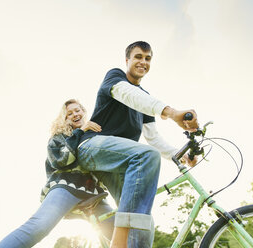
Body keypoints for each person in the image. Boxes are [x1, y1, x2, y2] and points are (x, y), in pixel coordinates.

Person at [76, 41, 199, 248]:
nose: (143, 61)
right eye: (138, 57)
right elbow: (128, 94)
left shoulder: (145, 99)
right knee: (147, 156)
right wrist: (171, 112)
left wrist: (180, 155)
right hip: (92, 148)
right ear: (127, 60)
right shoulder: (115, 78)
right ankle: (118, 243)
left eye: (148, 58)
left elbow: (154, 139)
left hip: (118, 163)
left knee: (145, 222)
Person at [0, 99, 114, 248]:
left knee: (120, 230)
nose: (74, 114)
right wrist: (80, 131)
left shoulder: (93, 135)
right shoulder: (59, 138)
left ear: (84, 112)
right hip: (65, 187)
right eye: (69, 114)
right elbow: (62, 160)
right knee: (39, 227)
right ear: (65, 119)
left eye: (77, 110)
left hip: (92, 194)